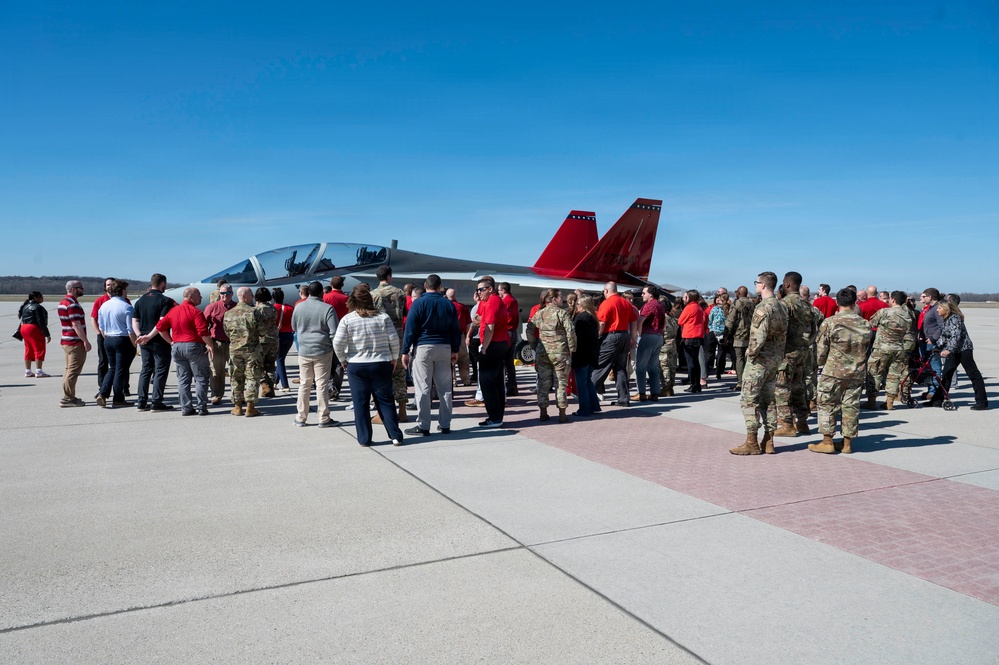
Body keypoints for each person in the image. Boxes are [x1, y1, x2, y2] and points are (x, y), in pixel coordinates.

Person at [333, 284, 404, 445]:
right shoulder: (382, 317)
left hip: (357, 365)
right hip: (380, 362)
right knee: (385, 400)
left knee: (360, 403)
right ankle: (395, 435)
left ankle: (365, 438)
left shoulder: (348, 319)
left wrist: (343, 359)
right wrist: (394, 358)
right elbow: (393, 339)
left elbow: (337, 343)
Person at [808, 288, 873, 454]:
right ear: (854, 303)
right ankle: (847, 444)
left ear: (837, 303)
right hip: (856, 371)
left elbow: (821, 351)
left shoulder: (830, 322)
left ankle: (827, 441)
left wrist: (819, 363)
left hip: (834, 371)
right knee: (851, 406)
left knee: (827, 405)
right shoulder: (865, 324)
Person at [730, 272, 788, 455]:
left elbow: (758, 337)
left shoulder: (763, 308)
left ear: (763, 285)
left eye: (757, 283)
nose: (755, 285)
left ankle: (752, 441)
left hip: (760, 360)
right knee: (769, 399)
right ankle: (769, 440)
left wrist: (751, 353)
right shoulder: (782, 307)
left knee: (749, 399)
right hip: (776, 358)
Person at [401, 274, 460, 436]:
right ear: (440, 287)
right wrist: (455, 349)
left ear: (425, 285)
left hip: (424, 347)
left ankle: (424, 425)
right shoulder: (448, 304)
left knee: (423, 388)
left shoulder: (419, 303)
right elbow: (455, 329)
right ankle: (445, 424)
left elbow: (410, 329)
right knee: (445, 389)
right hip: (444, 347)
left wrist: (405, 350)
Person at [144, 287, 213, 416]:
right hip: (194, 346)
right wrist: (210, 345)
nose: (201, 297)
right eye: (199, 295)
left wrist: (171, 342)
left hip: (177, 347)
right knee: (200, 377)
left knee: (183, 379)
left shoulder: (173, 311)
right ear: (191, 297)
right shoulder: (196, 312)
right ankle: (202, 407)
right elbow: (203, 332)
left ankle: (186, 408)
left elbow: (160, 327)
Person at [774, 272, 818, 437]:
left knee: (781, 388)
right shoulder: (807, 305)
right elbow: (814, 328)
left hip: (787, 353)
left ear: (786, 284)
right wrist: (806, 343)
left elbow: (777, 329)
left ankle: (787, 424)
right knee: (799, 387)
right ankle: (802, 421)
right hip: (802, 351)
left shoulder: (784, 304)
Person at [291, 281, 339, 426]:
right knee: (321, 384)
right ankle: (323, 418)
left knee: (304, 384)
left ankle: (301, 417)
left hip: (304, 350)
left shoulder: (299, 307)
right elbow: (334, 331)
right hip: (322, 350)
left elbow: (294, 326)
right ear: (321, 293)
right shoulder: (327, 308)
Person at [527, 288, 577, 422]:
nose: (563, 300)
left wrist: (534, 345)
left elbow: (529, 330)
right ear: (554, 299)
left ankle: (543, 412)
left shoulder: (539, 313)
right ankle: (562, 413)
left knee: (543, 383)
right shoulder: (562, 314)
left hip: (543, 353)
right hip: (560, 353)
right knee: (561, 383)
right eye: (560, 297)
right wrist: (572, 348)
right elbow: (570, 332)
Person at [929, 301, 988, 410]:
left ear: (946, 309)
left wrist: (948, 350)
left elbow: (956, 336)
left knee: (974, 374)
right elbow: (944, 337)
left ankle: (982, 402)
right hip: (954, 351)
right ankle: (937, 400)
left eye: (939, 308)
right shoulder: (946, 320)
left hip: (963, 350)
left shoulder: (955, 318)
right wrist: (937, 347)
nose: (937, 310)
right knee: (946, 374)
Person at [866, 290, 917, 410]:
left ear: (893, 300)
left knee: (874, 373)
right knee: (894, 376)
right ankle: (889, 402)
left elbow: (871, 323)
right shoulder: (908, 315)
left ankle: (871, 401)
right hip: (899, 348)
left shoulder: (885, 312)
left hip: (882, 348)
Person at [131, 273, 176, 411]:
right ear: (163, 284)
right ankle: (156, 402)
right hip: (159, 341)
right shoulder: (164, 300)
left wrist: (140, 335)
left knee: (146, 370)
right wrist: (149, 336)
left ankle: (141, 401)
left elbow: (134, 321)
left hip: (144, 341)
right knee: (160, 371)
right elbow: (162, 322)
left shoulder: (140, 300)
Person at [371, 265, 409, 422]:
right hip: (398, 336)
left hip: (380, 339)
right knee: (399, 374)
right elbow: (404, 314)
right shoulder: (400, 293)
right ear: (389, 276)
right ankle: (402, 410)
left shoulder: (372, 295)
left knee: (381, 376)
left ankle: (382, 412)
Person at [593, 282, 638, 405]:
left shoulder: (606, 303)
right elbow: (634, 320)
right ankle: (623, 398)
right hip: (624, 336)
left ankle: (587, 392)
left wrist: (596, 337)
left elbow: (602, 323)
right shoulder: (626, 303)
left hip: (611, 336)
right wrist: (632, 337)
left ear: (606, 291)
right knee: (620, 368)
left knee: (601, 365)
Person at [96, 279, 137, 408]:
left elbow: (101, 327)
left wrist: (107, 338)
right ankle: (118, 397)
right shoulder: (126, 307)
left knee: (112, 368)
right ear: (122, 291)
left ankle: (103, 393)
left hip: (108, 338)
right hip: (123, 339)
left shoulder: (104, 306)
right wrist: (135, 344)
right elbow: (130, 329)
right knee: (121, 369)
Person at [224, 287, 264, 418]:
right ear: (245, 297)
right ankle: (250, 407)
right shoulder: (254, 312)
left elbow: (227, 331)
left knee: (236, 377)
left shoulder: (229, 313)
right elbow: (263, 330)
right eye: (251, 295)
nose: (253, 297)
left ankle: (237, 407)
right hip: (251, 350)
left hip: (235, 350)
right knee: (252, 377)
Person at [475, 276, 509, 427]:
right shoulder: (488, 301)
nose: (478, 293)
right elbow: (477, 318)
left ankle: (495, 417)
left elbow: (489, 327)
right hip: (497, 344)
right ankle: (496, 416)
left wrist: (484, 348)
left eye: (481, 290)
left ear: (490, 289)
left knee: (488, 382)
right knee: (495, 381)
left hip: (493, 345)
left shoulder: (493, 302)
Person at [57, 280, 92, 406]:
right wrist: (85, 341)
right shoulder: (72, 305)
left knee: (68, 369)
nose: (82, 289)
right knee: (73, 371)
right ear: (73, 289)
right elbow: (76, 324)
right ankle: (67, 398)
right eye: (80, 288)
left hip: (66, 341)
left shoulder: (63, 302)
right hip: (74, 342)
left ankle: (69, 395)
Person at [204, 283, 237, 404]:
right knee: (216, 372)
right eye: (222, 293)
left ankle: (237, 395)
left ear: (232, 294)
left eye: (228, 293)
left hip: (234, 344)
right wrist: (207, 344)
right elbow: (203, 327)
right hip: (216, 344)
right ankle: (216, 395)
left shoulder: (237, 307)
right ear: (219, 294)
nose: (225, 295)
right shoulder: (211, 307)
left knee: (236, 370)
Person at [633, 285, 666, 401]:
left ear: (650, 294)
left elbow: (640, 321)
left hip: (648, 336)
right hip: (658, 336)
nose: (642, 295)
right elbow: (665, 322)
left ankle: (641, 392)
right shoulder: (660, 305)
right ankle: (655, 392)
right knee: (653, 367)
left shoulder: (649, 305)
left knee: (640, 367)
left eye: (643, 293)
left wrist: (639, 335)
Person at [571, 295, 601, 417]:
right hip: (591, 354)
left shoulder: (580, 319)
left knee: (581, 383)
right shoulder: (593, 318)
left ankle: (584, 408)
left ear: (582, 305)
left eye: (578, 304)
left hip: (581, 354)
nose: (576, 306)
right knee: (588, 381)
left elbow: (576, 337)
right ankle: (594, 405)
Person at [323, 276, 349, 400]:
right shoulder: (346, 299)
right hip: (343, 334)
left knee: (327, 363)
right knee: (339, 363)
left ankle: (329, 388)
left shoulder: (326, 298)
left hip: (327, 335)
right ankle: (336, 389)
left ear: (330, 283)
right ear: (342, 285)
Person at [725, 286, 754, 391]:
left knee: (739, 358)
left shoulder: (737, 303)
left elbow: (730, 320)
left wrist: (726, 334)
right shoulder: (752, 304)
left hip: (739, 334)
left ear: (739, 293)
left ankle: (740, 382)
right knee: (747, 359)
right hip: (750, 334)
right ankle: (748, 381)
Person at [677, 290, 706, 394]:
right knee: (696, 362)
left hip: (689, 336)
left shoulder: (689, 307)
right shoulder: (699, 307)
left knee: (691, 363)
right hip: (698, 336)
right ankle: (697, 385)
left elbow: (680, 321)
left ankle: (693, 384)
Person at [918, 288, 944, 400]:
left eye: (925, 296)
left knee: (935, 368)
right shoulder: (931, 308)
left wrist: (933, 338)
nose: (923, 298)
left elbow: (941, 325)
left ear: (931, 297)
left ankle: (935, 392)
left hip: (933, 343)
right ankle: (931, 390)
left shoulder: (937, 308)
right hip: (927, 341)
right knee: (929, 368)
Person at [18, 291, 51, 377]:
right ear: (35, 298)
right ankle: (39, 371)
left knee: (28, 349)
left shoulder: (25, 306)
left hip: (24, 327)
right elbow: (41, 321)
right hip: (33, 328)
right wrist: (47, 334)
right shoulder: (37, 307)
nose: (42, 298)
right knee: (39, 349)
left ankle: (28, 371)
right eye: (41, 296)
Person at [254, 287, 279, 398]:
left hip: (262, 340)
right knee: (270, 365)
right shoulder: (273, 308)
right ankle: (271, 388)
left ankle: (264, 385)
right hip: (273, 339)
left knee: (259, 365)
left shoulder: (258, 310)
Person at [498, 282, 521, 396]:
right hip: (513, 331)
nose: (498, 293)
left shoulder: (506, 301)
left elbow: (500, 315)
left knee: (502, 360)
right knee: (509, 362)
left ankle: (504, 386)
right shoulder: (514, 300)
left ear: (503, 290)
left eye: (499, 290)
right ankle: (512, 386)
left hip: (506, 332)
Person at [447, 288, 472, 386]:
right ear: (455, 296)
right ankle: (466, 380)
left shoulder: (445, 306)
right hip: (460, 336)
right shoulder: (462, 307)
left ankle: (453, 381)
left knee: (449, 361)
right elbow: (468, 324)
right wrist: (467, 336)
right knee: (463, 359)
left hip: (448, 337)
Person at [272, 288, 296, 393]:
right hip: (289, 335)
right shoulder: (290, 308)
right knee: (281, 359)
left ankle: (285, 384)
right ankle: (275, 382)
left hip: (279, 335)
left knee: (279, 360)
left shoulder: (273, 309)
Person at [710, 293, 735, 381]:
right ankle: (719, 370)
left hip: (715, 332)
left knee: (713, 352)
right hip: (724, 332)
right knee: (721, 353)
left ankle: (715, 370)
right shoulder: (730, 309)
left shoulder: (715, 309)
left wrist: (710, 328)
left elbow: (710, 319)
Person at [658, 301, 680, 397]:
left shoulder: (663, 319)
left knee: (664, 367)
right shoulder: (673, 319)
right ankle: (670, 387)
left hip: (664, 345)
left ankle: (666, 387)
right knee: (672, 367)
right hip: (673, 345)